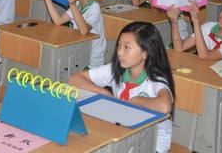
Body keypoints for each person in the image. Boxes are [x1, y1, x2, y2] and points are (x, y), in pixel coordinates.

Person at [68, 22, 174, 153]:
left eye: (127, 47)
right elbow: (74, 78)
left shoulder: (156, 79)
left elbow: (165, 106)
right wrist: (103, 92)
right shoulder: (116, 69)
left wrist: (135, 100)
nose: (119, 52)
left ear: (145, 53)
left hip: (152, 144)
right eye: (119, 45)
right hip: (123, 132)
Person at [43, 0, 105, 69]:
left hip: (91, 63)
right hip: (77, 54)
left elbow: (84, 30)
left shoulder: (94, 8)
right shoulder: (78, 4)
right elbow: (58, 21)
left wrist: (72, 5)